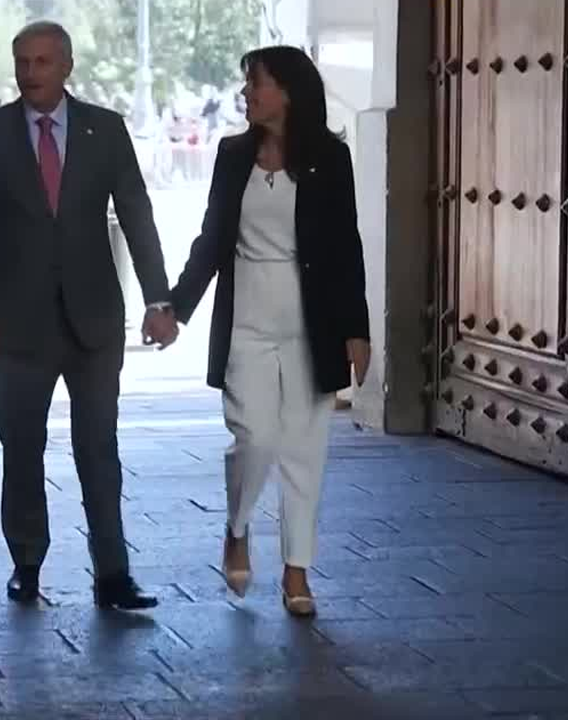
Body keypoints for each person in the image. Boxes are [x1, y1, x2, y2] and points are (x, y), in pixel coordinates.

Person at [0, 21, 175, 611]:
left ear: (67, 65)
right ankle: (27, 562)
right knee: (21, 447)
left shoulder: (107, 130)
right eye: (22, 61)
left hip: (94, 321)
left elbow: (136, 212)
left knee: (99, 447)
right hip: (16, 324)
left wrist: (159, 299)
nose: (29, 73)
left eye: (42, 62)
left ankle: (113, 573)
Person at [168, 46, 371, 616]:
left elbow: (344, 247)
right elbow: (212, 239)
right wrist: (177, 308)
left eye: (254, 82)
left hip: (313, 322)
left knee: (306, 449)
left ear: (287, 89)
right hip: (248, 319)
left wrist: (356, 329)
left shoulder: (331, 157)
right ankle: (237, 527)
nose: (246, 93)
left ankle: (297, 572)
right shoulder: (234, 155)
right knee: (254, 438)